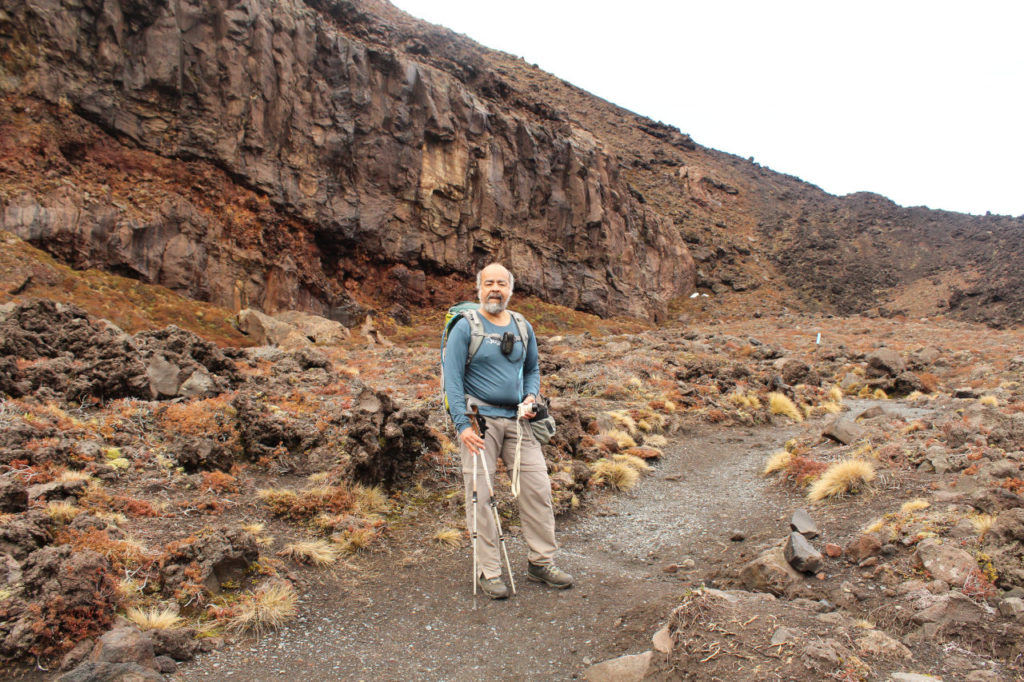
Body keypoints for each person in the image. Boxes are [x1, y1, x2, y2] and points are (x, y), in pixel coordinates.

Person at [443, 262, 573, 599]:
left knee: (537, 489)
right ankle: (489, 571)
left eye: (501, 283)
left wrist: (531, 396)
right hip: (478, 423)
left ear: (511, 289)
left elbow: (532, 369)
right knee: (481, 497)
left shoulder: (521, 325)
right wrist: (461, 425)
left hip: (519, 421)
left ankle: (541, 562)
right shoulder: (464, 327)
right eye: (489, 283)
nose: (495, 289)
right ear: (479, 288)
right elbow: (452, 379)